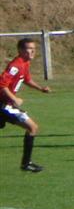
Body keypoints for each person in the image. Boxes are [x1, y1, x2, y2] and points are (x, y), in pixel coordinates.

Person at [0, 38, 51, 172]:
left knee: (31, 128)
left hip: (6, 104)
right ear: (21, 50)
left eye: (34, 48)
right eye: (29, 48)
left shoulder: (25, 63)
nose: (32, 51)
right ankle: (26, 164)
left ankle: (26, 164)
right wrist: (14, 99)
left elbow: (26, 79)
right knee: (32, 127)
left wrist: (40, 88)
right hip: (3, 105)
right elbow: (2, 85)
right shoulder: (15, 65)